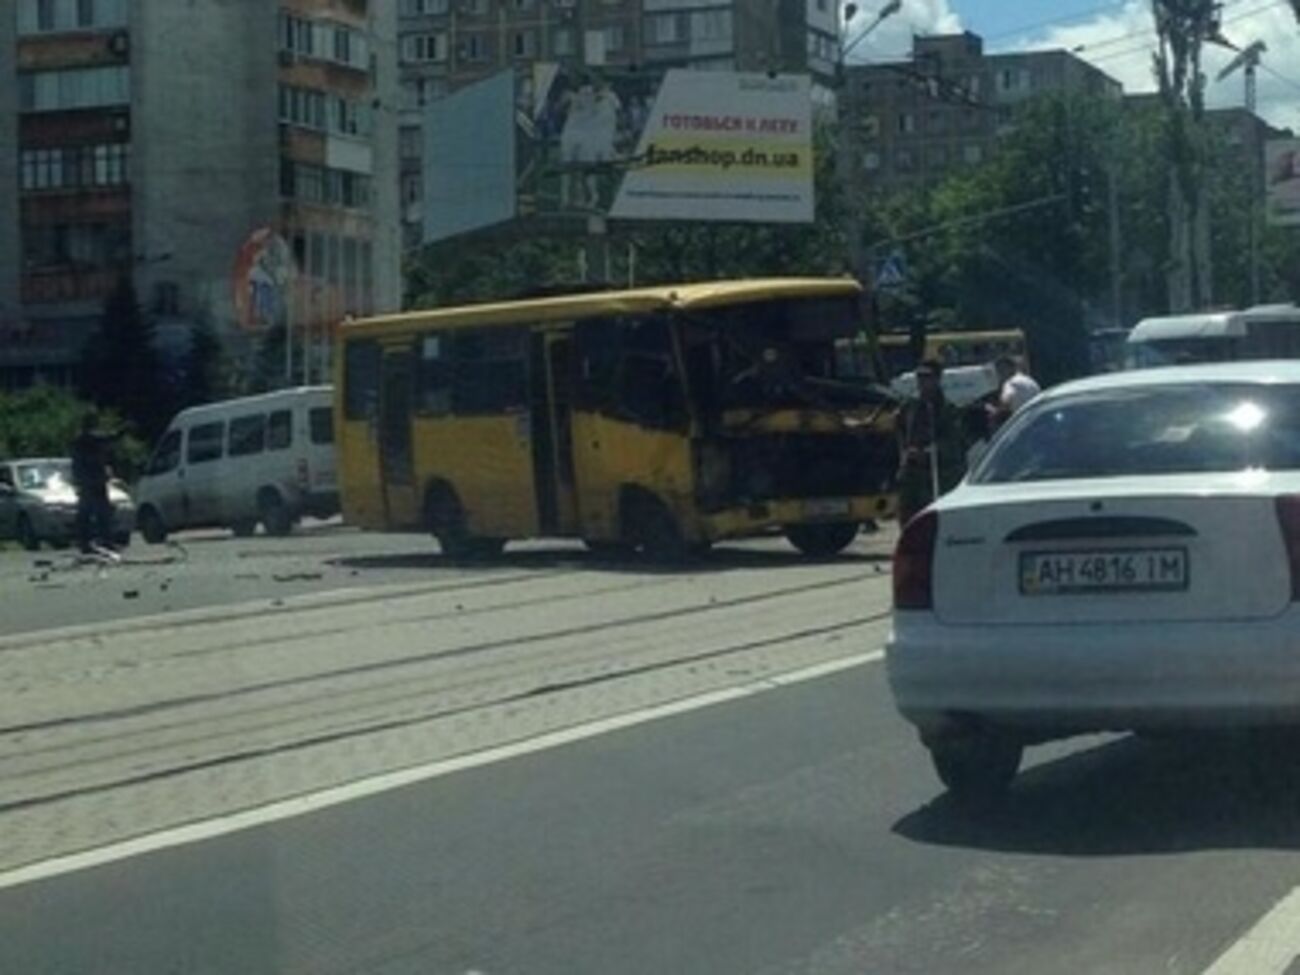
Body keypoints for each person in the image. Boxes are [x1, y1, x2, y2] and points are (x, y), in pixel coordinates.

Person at [896, 359, 966, 525]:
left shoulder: (948, 409)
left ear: (937, 379)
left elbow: (955, 443)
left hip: (940, 474)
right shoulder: (909, 406)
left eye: (927, 377)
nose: (922, 381)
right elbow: (901, 433)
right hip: (912, 474)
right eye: (919, 377)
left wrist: (928, 452)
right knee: (909, 519)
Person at [70, 412, 123, 554]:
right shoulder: (86, 439)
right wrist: (120, 432)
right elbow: (107, 439)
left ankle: (92, 543)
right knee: (95, 513)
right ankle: (97, 542)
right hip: (92, 481)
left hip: (91, 480)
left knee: (93, 513)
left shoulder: (80, 440)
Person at [987, 354, 1041, 430]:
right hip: (1038, 422)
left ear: (1009, 368)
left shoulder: (1010, 383)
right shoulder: (1030, 381)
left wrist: (994, 411)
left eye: (1001, 370)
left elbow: (1006, 401)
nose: (999, 374)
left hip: (1023, 426)